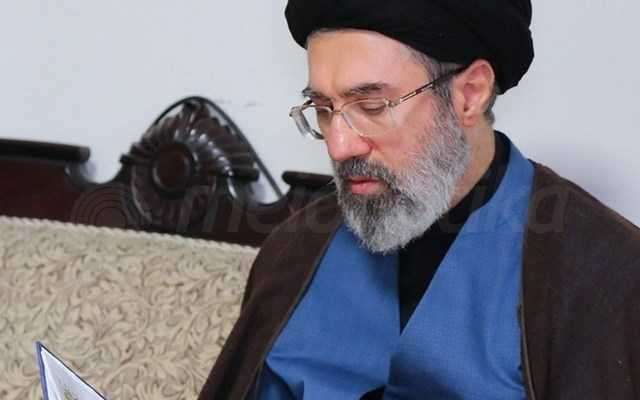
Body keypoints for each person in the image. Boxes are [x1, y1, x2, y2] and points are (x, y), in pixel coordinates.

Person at [199, 1, 640, 399]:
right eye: (323, 109)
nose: (338, 146)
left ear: (470, 93)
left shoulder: (604, 271)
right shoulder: (293, 249)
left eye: (371, 106)